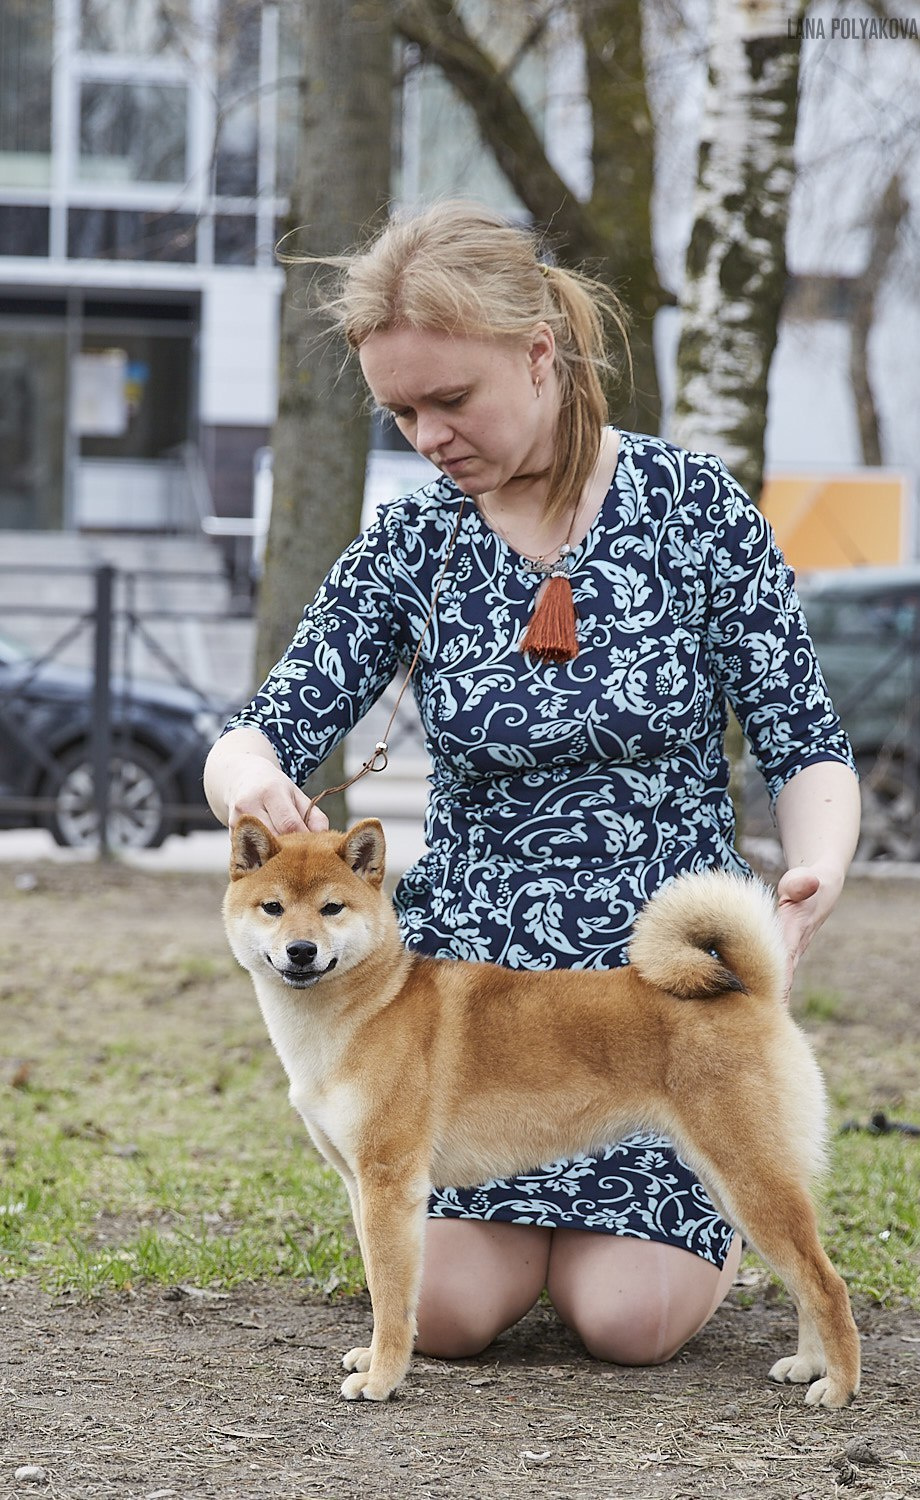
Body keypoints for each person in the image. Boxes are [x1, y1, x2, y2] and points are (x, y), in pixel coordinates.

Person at [204, 201, 860, 1369]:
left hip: (657, 1006)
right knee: (446, 1319)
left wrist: (813, 872)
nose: (426, 436)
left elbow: (804, 735)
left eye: (449, 401)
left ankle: (646, 1244)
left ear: (538, 355)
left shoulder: (694, 511)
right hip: (469, 1022)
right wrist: (250, 781)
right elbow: (263, 726)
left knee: (630, 1323)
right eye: (399, 410)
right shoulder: (413, 542)